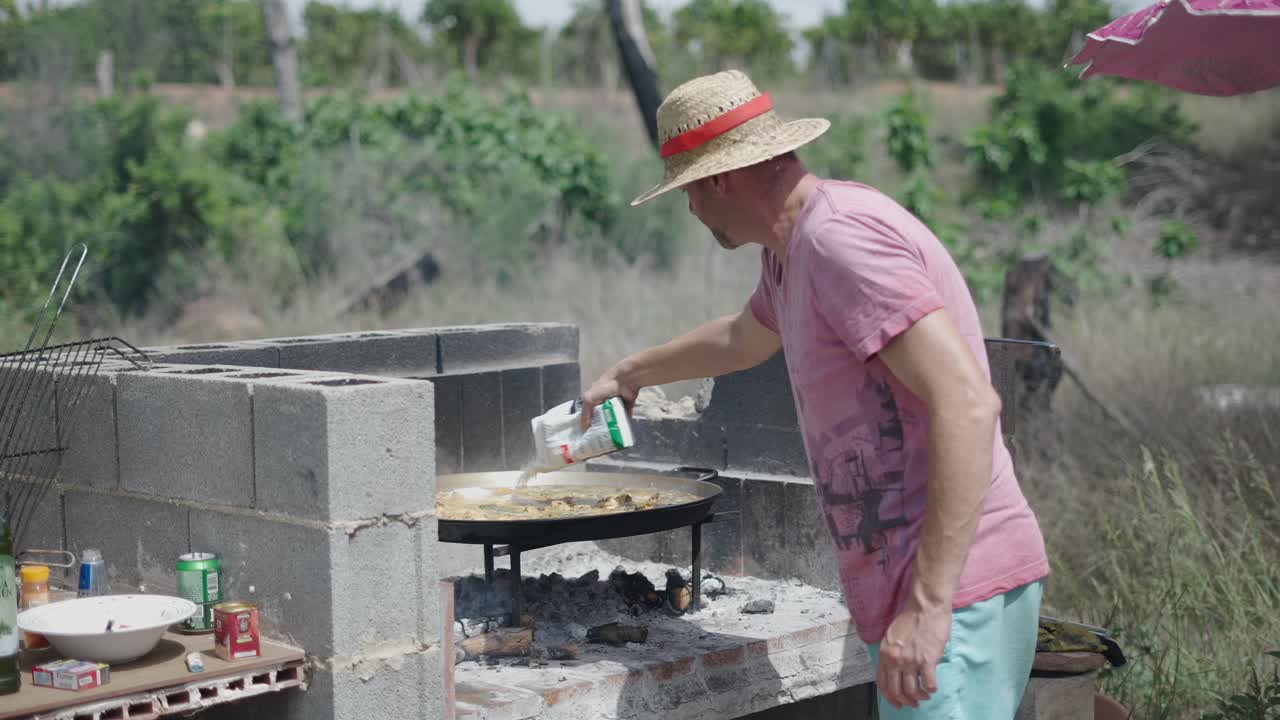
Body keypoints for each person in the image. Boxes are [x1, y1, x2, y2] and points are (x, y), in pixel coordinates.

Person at [580, 69, 1050, 719]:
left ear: (720, 178)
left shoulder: (839, 242)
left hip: (954, 592)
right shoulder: (791, 250)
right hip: (933, 590)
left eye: (688, 190)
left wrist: (928, 606)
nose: (689, 209)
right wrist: (630, 373)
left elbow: (970, 405)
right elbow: (745, 338)